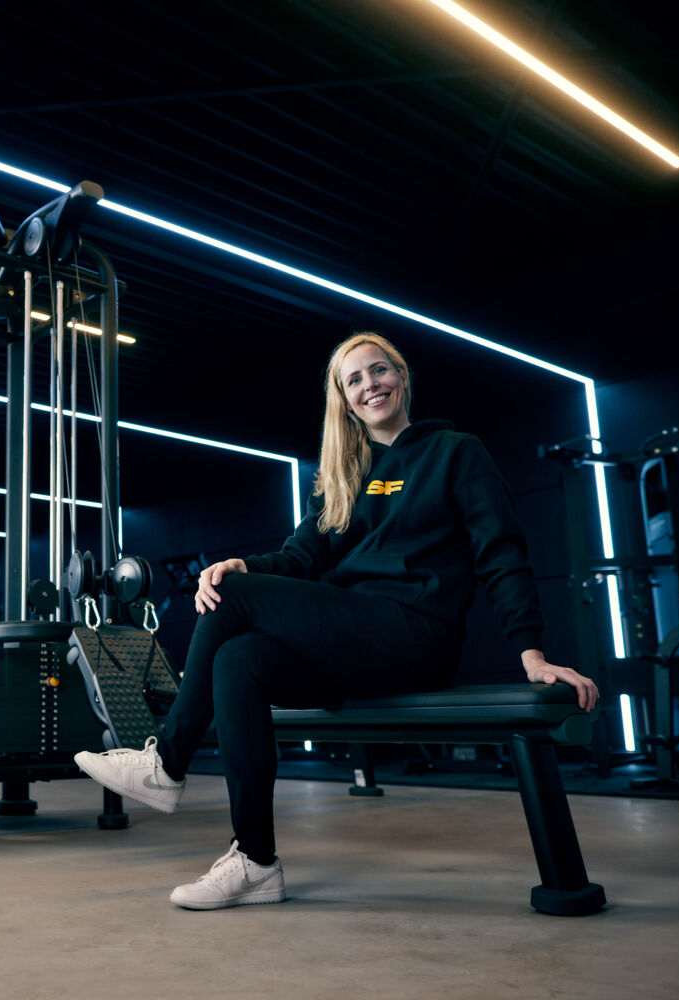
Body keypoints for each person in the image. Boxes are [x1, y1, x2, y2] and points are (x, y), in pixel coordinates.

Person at [74, 331, 599, 910]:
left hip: (415, 634)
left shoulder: (455, 452)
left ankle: (166, 763)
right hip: (353, 644)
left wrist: (532, 655)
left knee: (238, 599)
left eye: (379, 371)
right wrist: (241, 564)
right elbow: (302, 559)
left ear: (402, 377)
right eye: (355, 379)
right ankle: (254, 860)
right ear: (344, 399)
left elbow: (500, 552)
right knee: (238, 658)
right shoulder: (344, 476)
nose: (370, 384)